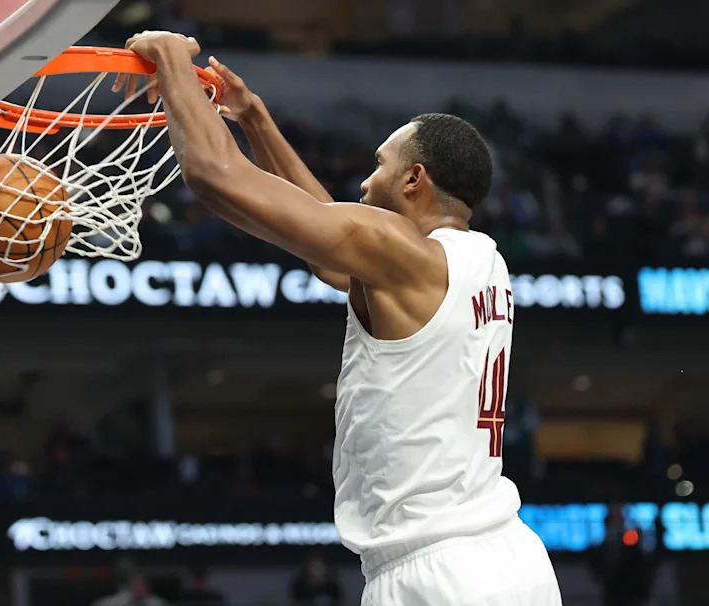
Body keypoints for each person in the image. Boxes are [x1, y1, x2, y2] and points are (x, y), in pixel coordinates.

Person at [114, 32, 562, 605]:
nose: (364, 181)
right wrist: (255, 120)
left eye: (379, 165)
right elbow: (325, 237)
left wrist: (174, 59)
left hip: (440, 572)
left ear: (413, 180)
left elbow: (214, 176)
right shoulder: (479, 260)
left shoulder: (407, 254)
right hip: (507, 556)